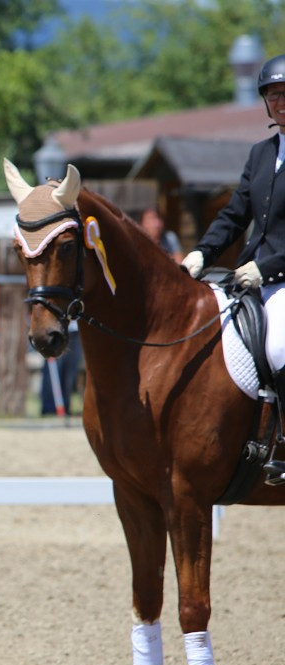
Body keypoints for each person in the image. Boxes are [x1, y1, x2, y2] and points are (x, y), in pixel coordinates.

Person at [182, 53, 285, 404]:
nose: (280, 102)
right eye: (273, 95)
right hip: (247, 276)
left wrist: (268, 267)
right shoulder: (261, 154)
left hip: (279, 280)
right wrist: (202, 253)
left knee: (279, 347)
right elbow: (235, 214)